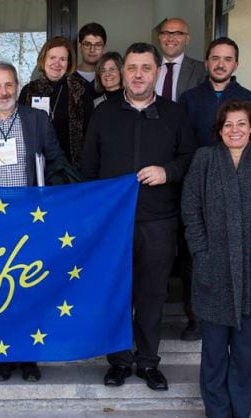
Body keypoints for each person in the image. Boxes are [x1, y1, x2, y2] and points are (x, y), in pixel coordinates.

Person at [81, 42, 197, 391]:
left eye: (145, 68)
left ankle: (147, 362)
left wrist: (168, 172)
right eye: (132, 68)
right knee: (116, 293)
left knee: (151, 294)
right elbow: (88, 168)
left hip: (159, 221)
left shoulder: (175, 114)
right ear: (122, 72)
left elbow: (191, 158)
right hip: (113, 224)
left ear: (158, 72)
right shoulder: (104, 113)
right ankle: (118, 361)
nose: (137, 74)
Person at [181, 99, 251, 418]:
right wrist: (201, 251)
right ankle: (217, 412)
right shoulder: (205, 159)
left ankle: (240, 412)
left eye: (241, 123)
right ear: (219, 129)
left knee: (245, 353)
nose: (235, 130)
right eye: (228, 124)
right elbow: (190, 209)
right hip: (214, 270)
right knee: (213, 353)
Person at [0, 62, 67, 381]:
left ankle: (28, 356)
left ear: (17, 86)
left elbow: (56, 161)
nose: (3, 92)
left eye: (9, 85)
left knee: (28, 287)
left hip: (30, 219)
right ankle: (4, 355)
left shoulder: (36, 119)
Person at [18, 37, 93, 168]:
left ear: (68, 63)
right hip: (37, 167)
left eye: (62, 59)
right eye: (52, 57)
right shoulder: (29, 91)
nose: (56, 63)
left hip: (72, 168)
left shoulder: (80, 90)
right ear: (44, 59)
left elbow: (91, 132)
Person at [180, 37, 251, 148]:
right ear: (206, 63)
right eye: (215, 58)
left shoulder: (250, 98)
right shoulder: (188, 98)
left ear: (236, 65)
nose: (220, 65)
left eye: (228, 59)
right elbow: (181, 144)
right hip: (198, 164)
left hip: (238, 165)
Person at [156, 18, 206, 102]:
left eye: (178, 34)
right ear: (159, 38)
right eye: (165, 33)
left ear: (187, 40)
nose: (170, 39)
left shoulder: (201, 70)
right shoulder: (148, 67)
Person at [74, 22, 108, 87]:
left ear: (104, 48)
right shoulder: (68, 77)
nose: (92, 50)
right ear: (80, 47)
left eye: (98, 45)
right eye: (87, 44)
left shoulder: (110, 78)